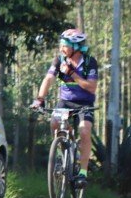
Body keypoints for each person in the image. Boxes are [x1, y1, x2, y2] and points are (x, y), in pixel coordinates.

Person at [30, 29, 98, 189]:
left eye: (65, 46)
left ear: (75, 47)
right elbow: (48, 79)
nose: (61, 49)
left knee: (84, 130)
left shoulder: (89, 62)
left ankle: (82, 172)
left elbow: (91, 87)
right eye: (61, 45)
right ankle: (64, 151)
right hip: (65, 102)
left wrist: (73, 74)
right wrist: (40, 99)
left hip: (85, 103)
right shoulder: (59, 60)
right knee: (54, 122)